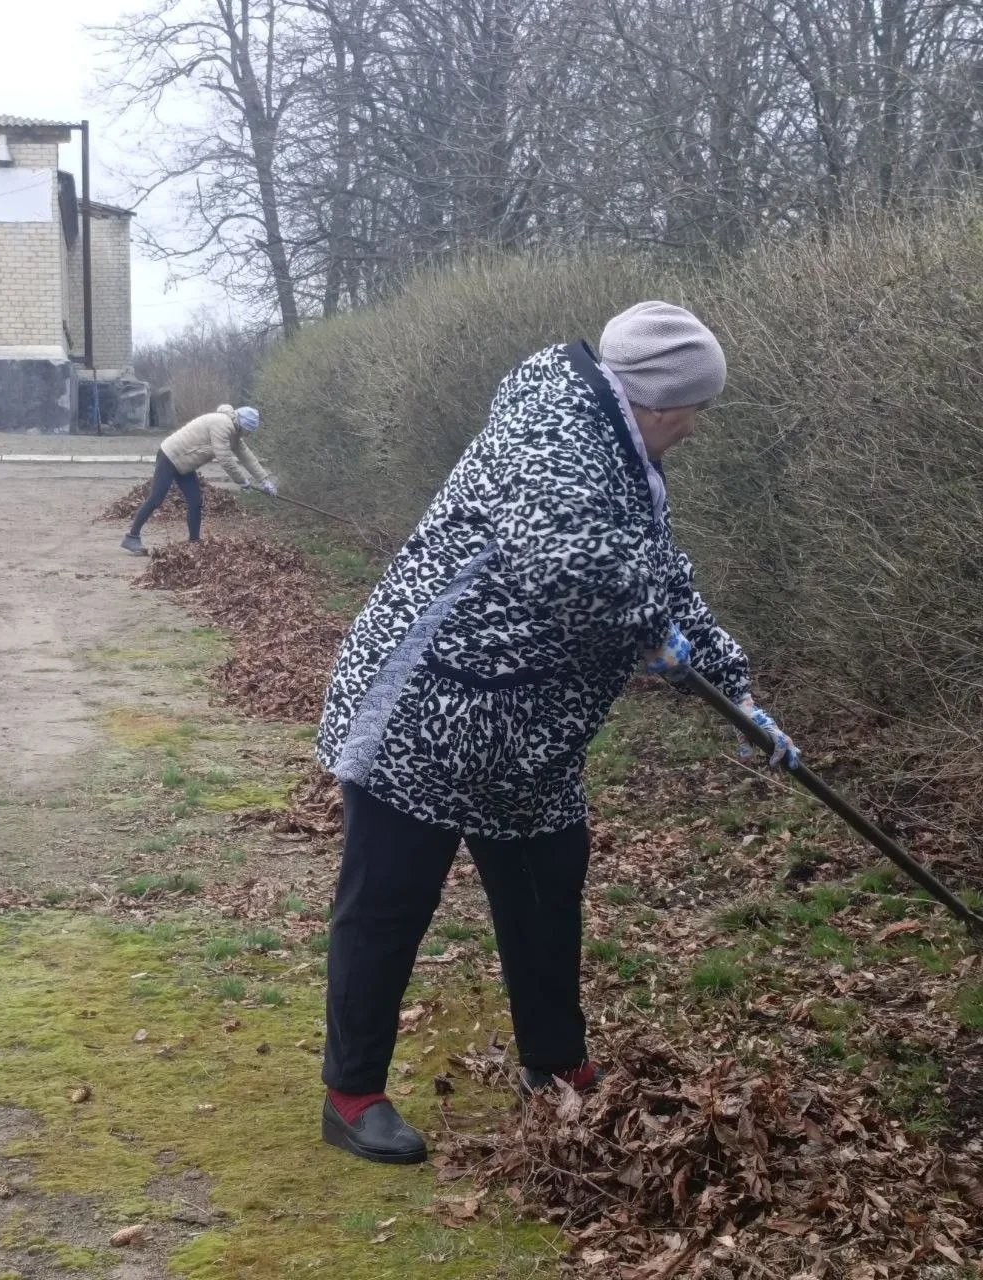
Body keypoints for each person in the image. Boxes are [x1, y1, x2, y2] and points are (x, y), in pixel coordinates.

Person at [314, 302, 799, 1165]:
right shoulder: (552, 431)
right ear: (658, 400)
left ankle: (555, 1065)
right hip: (425, 709)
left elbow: (660, 574)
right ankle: (351, 1095)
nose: (696, 428)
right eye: (695, 409)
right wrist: (648, 630)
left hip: (528, 734)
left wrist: (736, 688)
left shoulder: (624, 453)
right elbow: (565, 563)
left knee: (546, 890)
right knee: (387, 903)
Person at [121, 404, 277, 554]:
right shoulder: (223, 425)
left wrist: (264, 480)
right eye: (248, 430)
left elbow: (246, 455)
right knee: (156, 499)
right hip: (170, 456)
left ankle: (194, 542)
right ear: (243, 425)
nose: (248, 434)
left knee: (195, 501)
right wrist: (242, 481)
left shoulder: (234, 432)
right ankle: (132, 537)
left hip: (184, 463)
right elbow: (225, 459)